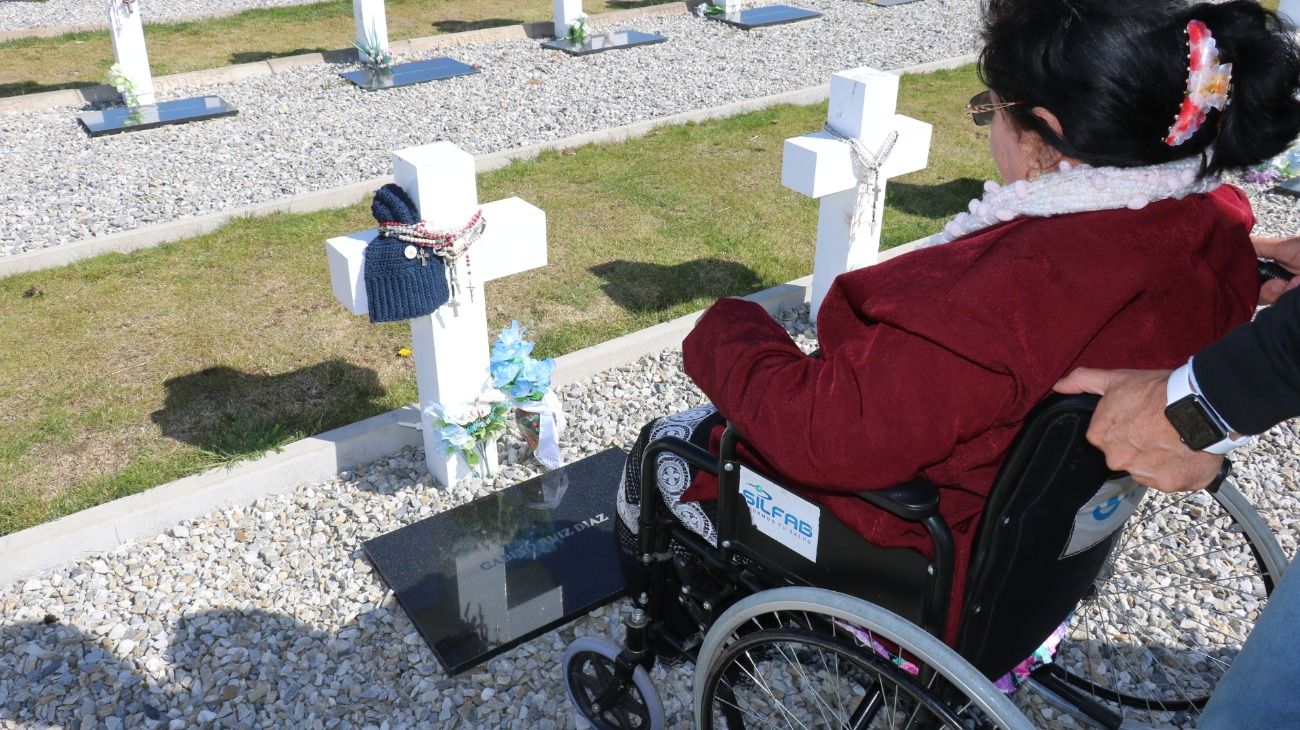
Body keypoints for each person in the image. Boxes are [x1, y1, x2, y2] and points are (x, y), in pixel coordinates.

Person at [615, 0, 1300, 645]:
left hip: (921, 549)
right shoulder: (1214, 225)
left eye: (991, 110)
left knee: (670, 445)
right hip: (1038, 557)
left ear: (1043, 136)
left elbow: (830, 434)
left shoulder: (1014, 291)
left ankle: (665, 621)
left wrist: (727, 330)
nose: (989, 126)